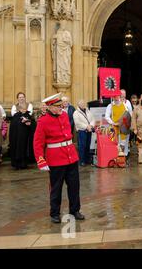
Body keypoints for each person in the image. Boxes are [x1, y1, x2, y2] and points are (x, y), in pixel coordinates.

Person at [33, 93, 85, 224]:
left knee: (74, 186)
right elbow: (38, 142)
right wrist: (41, 160)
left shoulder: (64, 116)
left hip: (71, 156)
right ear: (50, 107)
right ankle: (55, 213)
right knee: (56, 188)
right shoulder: (43, 121)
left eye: (61, 106)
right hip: (56, 158)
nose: (61, 108)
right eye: (58, 106)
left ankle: (75, 210)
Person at [9, 100, 36, 170]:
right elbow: (13, 126)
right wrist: (20, 122)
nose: (24, 110)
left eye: (25, 109)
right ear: (19, 109)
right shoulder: (16, 116)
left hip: (26, 138)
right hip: (17, 138)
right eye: (22, 109)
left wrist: (29, 123)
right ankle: (17, 164)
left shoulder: (29, 115)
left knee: (25, 150)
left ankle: (24, 164)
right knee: (17, 150)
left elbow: (33, 125)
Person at [105, 92, 132, 158]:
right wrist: (112, 123)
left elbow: (127, 114)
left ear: (119, 97)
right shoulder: (110, 106)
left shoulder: (124, 105)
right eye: (114, 97)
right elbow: (107, 116)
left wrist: (124, 122)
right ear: (113, 97)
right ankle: (113, 157)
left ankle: (121, 157)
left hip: (123, 126)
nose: (116, 98)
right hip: (113, 127)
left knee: (123, 142)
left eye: (117, 96)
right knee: (113, 141)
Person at [73, 100, 95, 166]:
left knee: (88, 146)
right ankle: (81, 161)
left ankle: (87, 160)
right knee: (82, 146)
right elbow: (77, 123)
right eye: (82, 104)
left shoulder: (88, 111)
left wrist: (91, 125)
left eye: (84, 103)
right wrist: (86, 126)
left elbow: (93, 119)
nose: (83, 105)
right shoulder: (76, 113)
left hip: (89, 130)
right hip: (82, 131)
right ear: (78, 105)